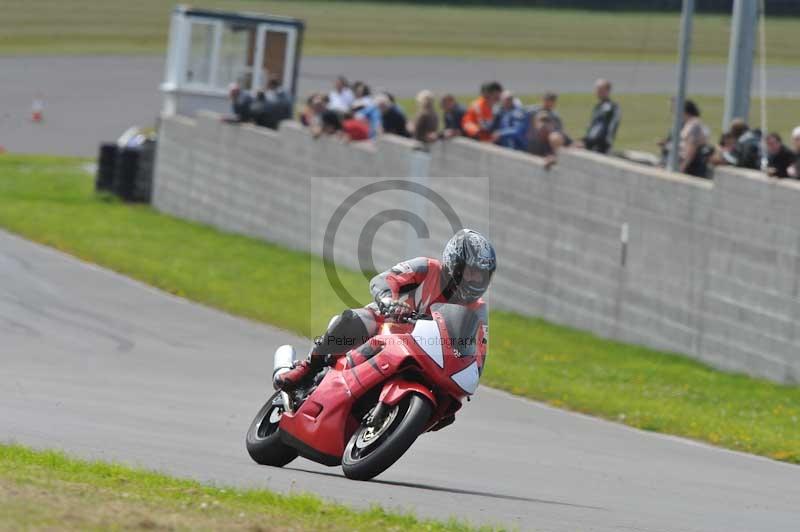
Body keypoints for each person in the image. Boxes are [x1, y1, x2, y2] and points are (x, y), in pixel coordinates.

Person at [274, 229, 496, 392]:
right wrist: (387, 299)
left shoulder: (478, 309)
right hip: (386, 325)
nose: (474, 280)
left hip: (425, 354)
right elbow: (384, 279)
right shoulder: (427, 268)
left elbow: (479, 351)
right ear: (453, 263)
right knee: (355, 319)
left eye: (480, 275)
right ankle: (308, 368)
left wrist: (472, 369)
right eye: (470, 272)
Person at [578, 79, 620, 154]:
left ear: (607, 91)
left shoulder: (611, 107)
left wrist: (587, 142)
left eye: (600, 89)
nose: (597, 91)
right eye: (597, 89)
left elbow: (605, 129)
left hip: (600, 144)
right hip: (591, 141)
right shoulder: (598, 106)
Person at [678, 100, 711, 178]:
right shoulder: (692, 123)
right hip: (691, 163)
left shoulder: (694, 125)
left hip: (692, 166)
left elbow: (692, 147)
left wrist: (682, 167)